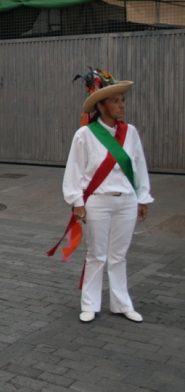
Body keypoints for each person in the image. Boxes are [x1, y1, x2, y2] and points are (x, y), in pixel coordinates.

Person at [61, 69, 152, 324]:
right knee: (96, 254)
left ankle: (122, 304)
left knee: (119, 255)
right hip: (98, 202)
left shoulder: (130, 132)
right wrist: (77, 202)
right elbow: (74, 170)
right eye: (115, 101)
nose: (121, 105)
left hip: (126, 201)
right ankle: (90, 304)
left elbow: (139, 166)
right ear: (101, 106)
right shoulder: (85, 134)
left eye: (122, 100)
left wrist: (142, 197)